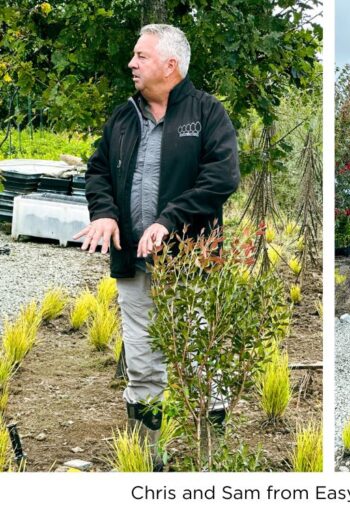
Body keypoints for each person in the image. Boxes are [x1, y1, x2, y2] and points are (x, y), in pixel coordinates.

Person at [76, 24, 240, 469]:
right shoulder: (123, 117)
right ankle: (150, 461)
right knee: (144, 361)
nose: (131, 63)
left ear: (170, 65)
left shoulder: (207, 113)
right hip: (133, 263)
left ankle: (211, 459)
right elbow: (97, 172)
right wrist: (105, 213)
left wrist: (170, 221)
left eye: (140, 56)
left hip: (191, 263)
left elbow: (222, 178)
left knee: (202, 358)